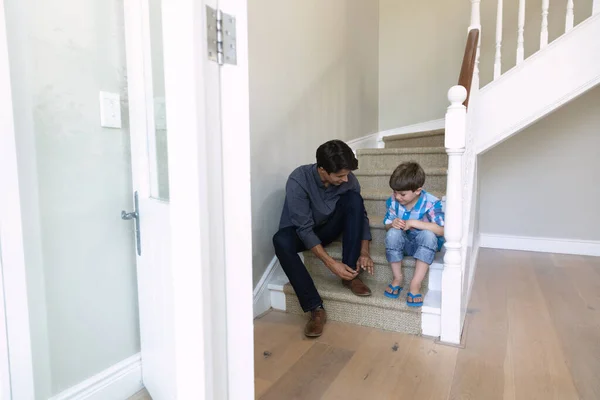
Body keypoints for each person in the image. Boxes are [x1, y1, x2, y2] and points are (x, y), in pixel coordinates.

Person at [272, 140, 374, 338]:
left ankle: (351, 275)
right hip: (302, 233)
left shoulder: (349, 180)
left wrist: (364, 251)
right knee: (280, 241)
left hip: (328, 228)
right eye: (340, 175)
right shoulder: (298, 180)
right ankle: (315, 308)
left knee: (354, 200)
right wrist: (330, 263)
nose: (346, 179)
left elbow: (360, 216)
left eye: (347, 174)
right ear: (322, 170)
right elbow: (304, 229)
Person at [383, 162, 445, 307]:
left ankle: (415, 284)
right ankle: (397, 278)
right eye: (395, 192)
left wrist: (414, 223)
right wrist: (392, 224)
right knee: (392, 233)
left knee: (429, 235)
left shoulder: (431, 203)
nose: (397, 197)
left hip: (423, 245)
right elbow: (386, 224)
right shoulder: (393, 201)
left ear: (417, 191)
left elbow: (442, 230)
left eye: (402, 194)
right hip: (404, 244)